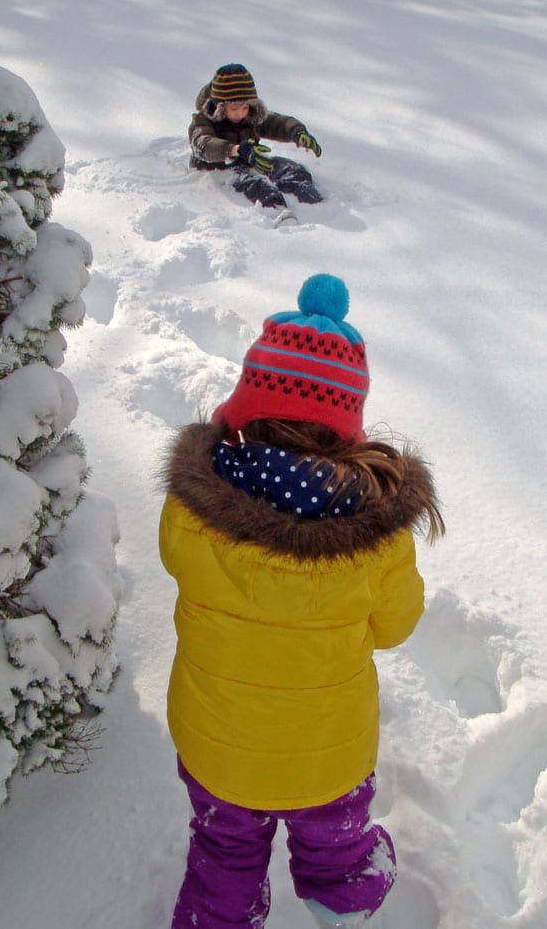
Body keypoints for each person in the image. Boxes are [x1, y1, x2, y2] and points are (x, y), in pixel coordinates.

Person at [159, 274, 444, 929]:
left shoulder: (191, 512)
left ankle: (217, 918)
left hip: (216, 750)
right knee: (336, 840)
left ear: (245, 406)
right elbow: (395, 627)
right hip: (330, 756)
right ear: (348, 424)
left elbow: (177, 563)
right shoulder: (375, 532)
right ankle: (342, 898)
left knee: (222, 848)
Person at [189, 63, 325, 212]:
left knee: (289, 169)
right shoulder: (202, 121)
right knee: (258, 187)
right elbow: (203, 144)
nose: (240, 113)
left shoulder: (250, 116)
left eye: (245, 107)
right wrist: (236, 150)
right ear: (219, 106)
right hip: (220, 170)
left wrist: (296, 132)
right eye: (234, 108)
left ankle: (314, 203)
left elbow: (276, 123)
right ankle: (278, 212)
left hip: (249, 162)